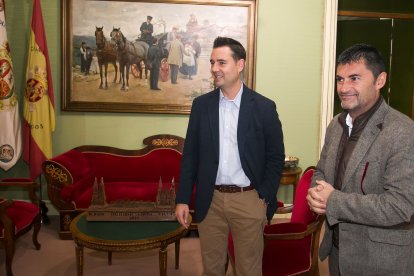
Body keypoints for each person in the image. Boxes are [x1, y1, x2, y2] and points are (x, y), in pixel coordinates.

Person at [175, 37, 285, 276]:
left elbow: (275, 157)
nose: (214, 68)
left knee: (248, 270)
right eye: (213, 62)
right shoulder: (201, 105)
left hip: (248, 199)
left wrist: (263, 198)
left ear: (240, 64)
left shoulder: (264, 107)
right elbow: (190, 155)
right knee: (212, 269)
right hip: (210, 200)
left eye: (222, 62)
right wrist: (182, 198)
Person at [307, 44, 414, 275]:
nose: (343, 88)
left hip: (380, 260)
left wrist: (332, 200)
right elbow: (322, 172)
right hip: (337, 253)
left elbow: (399, 206)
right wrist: (315, 193)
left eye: (354, 78)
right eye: (339, 79)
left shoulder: (403, 132)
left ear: (380, 80)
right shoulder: (335, 125)